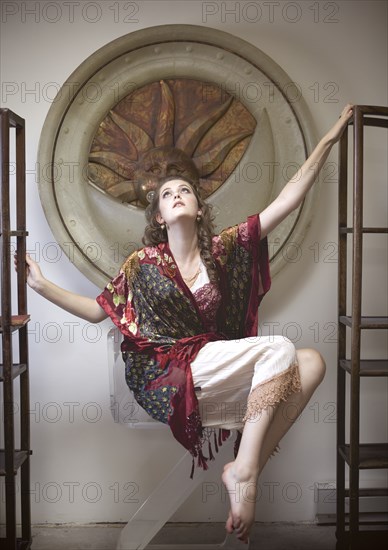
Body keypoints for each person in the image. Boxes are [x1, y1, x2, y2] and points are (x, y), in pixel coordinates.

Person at [18, 104, 353, 544]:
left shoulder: (224, 249)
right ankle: (244, 471)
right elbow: (100, 310)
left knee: (311, 362)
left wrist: (329, 140)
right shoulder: (142, 264)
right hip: (168, 375)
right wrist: (41, 287)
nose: (176, 194)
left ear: (198, 208)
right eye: (166, 193)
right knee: (279, 349)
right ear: (158, 216)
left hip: (214, 369)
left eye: (185, 190)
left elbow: (288, 200)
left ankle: (245, 463)